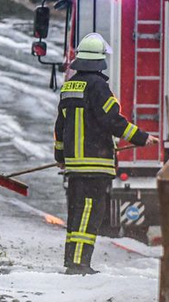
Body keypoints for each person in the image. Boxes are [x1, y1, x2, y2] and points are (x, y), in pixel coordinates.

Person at [53, 32, 149, 274]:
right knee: (89, 215)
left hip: (75, 167)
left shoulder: (69, 86)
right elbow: (112, 121)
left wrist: (61, 158)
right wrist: (141, 137)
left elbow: (60, 128)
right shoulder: (98, 86)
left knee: (76, 216)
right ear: (98, 60)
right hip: (95, 165)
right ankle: (79, 265)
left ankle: (72, 260)